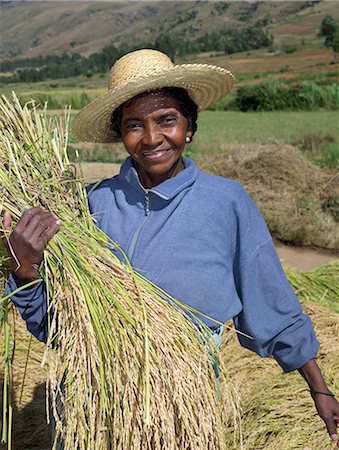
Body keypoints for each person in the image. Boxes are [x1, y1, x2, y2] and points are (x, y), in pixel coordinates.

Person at [3, 49, 339, 446]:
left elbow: (270, 300)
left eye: (167, 120)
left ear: (190, 126)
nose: (151, 138)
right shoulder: (85, 207)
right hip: (92, 407)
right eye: (134, 125)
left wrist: (319, 389)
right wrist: (24, 270)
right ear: (120, 136)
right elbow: (57, 325)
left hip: (183, 404)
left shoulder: (225, 202)